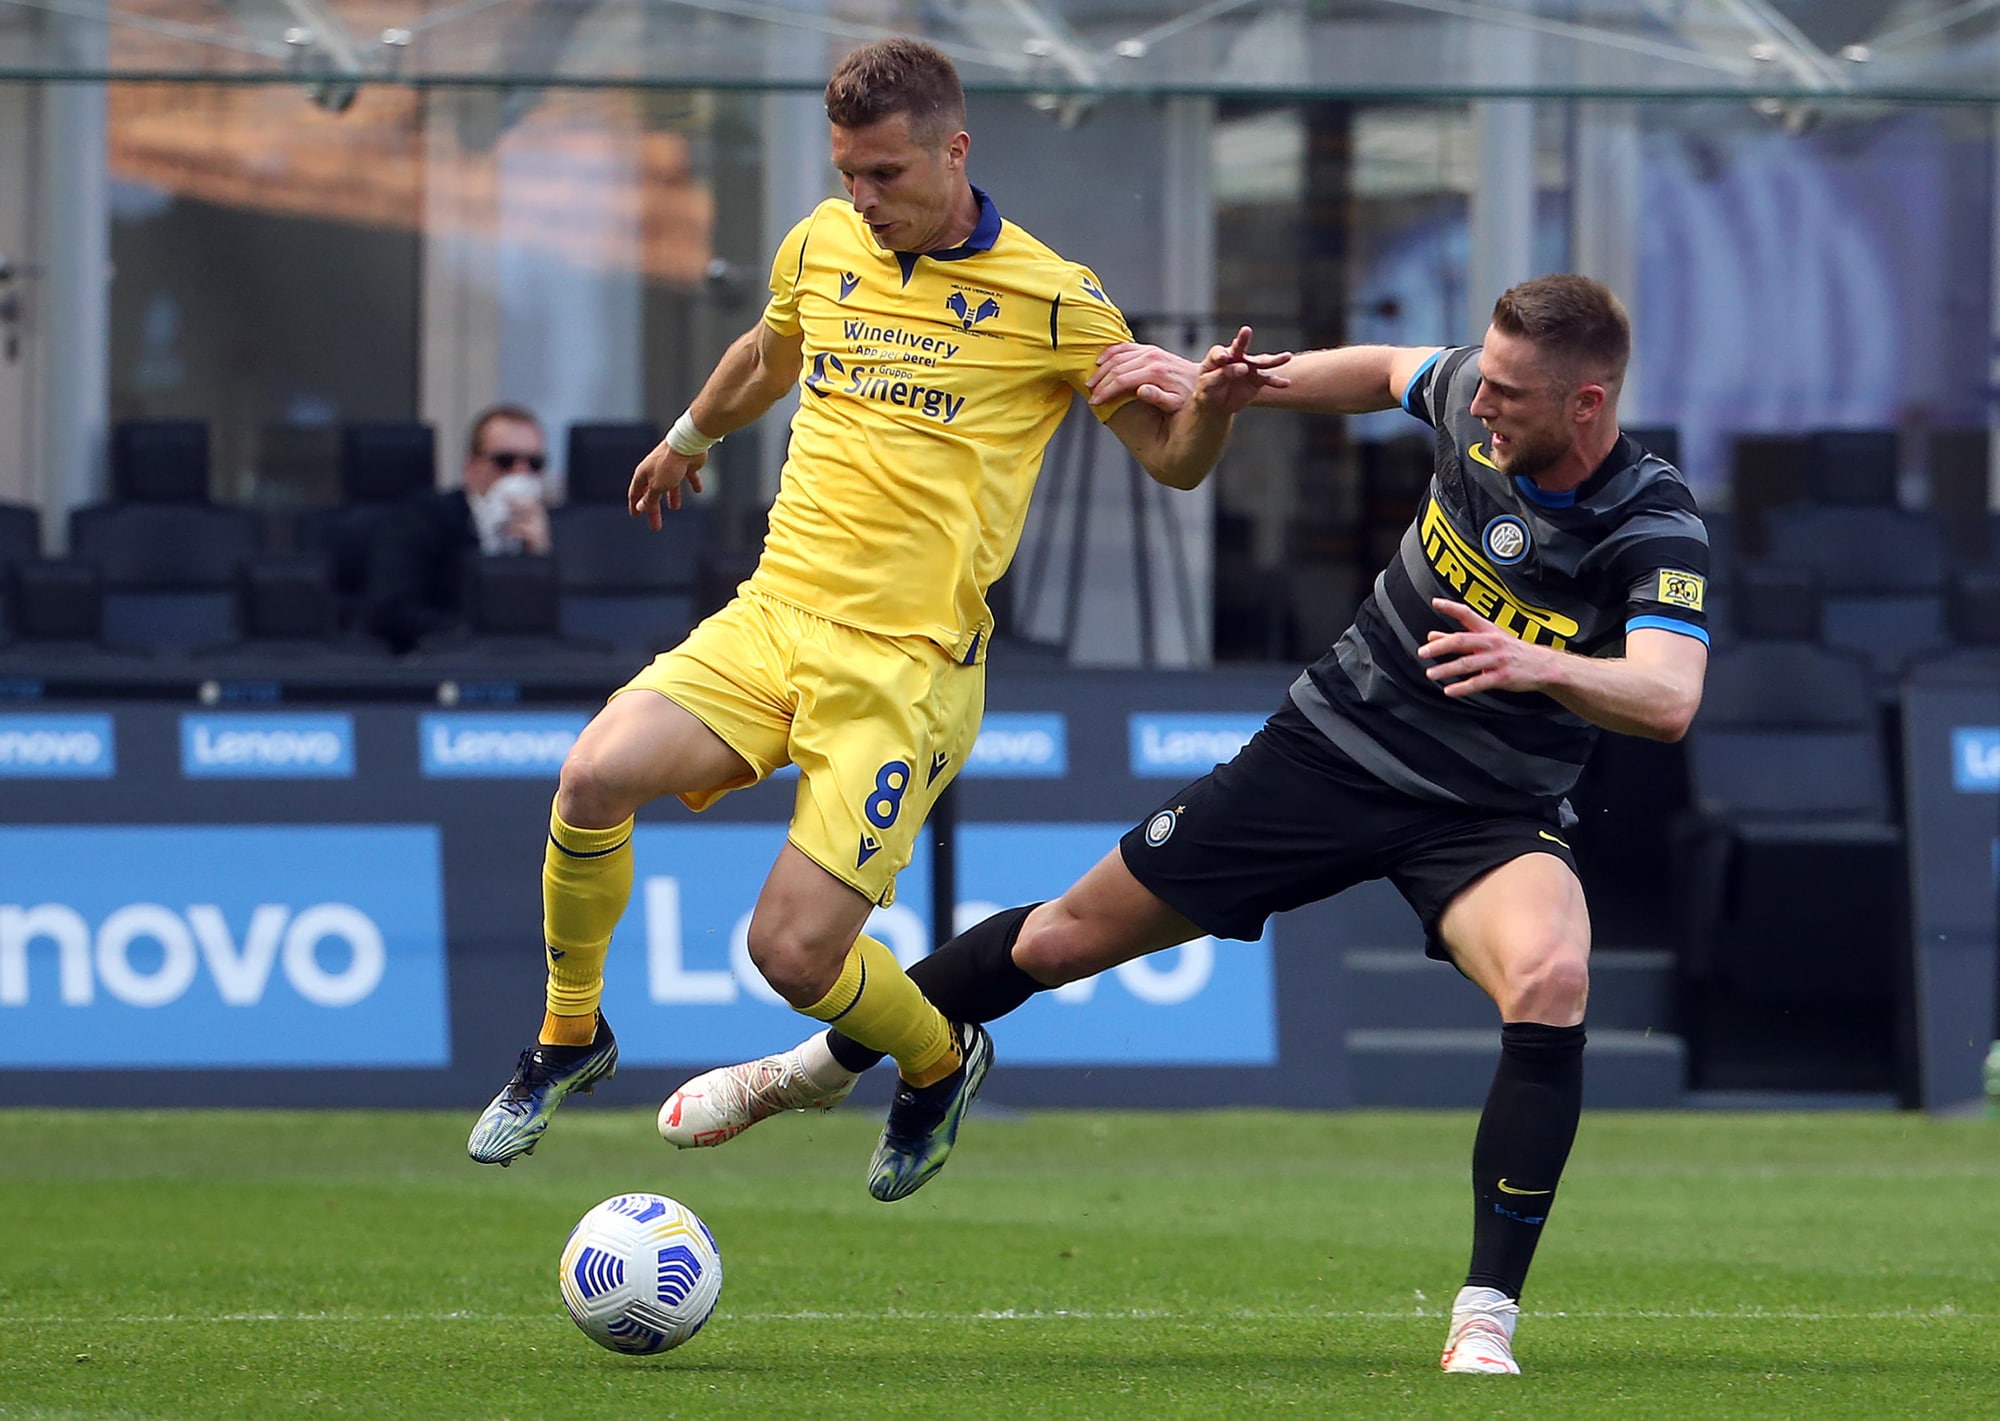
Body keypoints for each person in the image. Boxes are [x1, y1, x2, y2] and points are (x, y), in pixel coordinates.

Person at [662, 274, 1711, 1376]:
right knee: (1059, 937)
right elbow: (1382, 370)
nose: (1482, 401)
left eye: (1509, 393)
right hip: (1326, 753)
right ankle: (809, 1069)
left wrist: (1536, 663)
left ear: (1587, 403)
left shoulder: (1652, 521)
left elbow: (1668, 695)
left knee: (1549, 975)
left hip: (1485, 810)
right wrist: (1238, 387)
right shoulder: (1472, 399)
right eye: (1482, 380)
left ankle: (1484, 1314)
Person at [465, 37, 1281, 1198]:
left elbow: (1172, 461)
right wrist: (688, 437)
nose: (863, 197)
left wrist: (1210, 406)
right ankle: (568, 1034)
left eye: (885, 174)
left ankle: (939, 1061)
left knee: (790, 953)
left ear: (954, 152)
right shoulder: (821, 241)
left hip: (905, 670)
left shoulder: (1055, 300)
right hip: (774, 614)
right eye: (848, 173)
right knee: (593, 774)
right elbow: (768, 351)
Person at [361, 404, 552, 653]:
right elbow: (390, 609)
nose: (521, 473)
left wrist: (540, 559)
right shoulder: (423, 519)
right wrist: (468, 633)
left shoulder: (556, 529)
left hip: (527, 662)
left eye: (535, 463)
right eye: (505, 461)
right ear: (471, 468)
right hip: (442, 661)